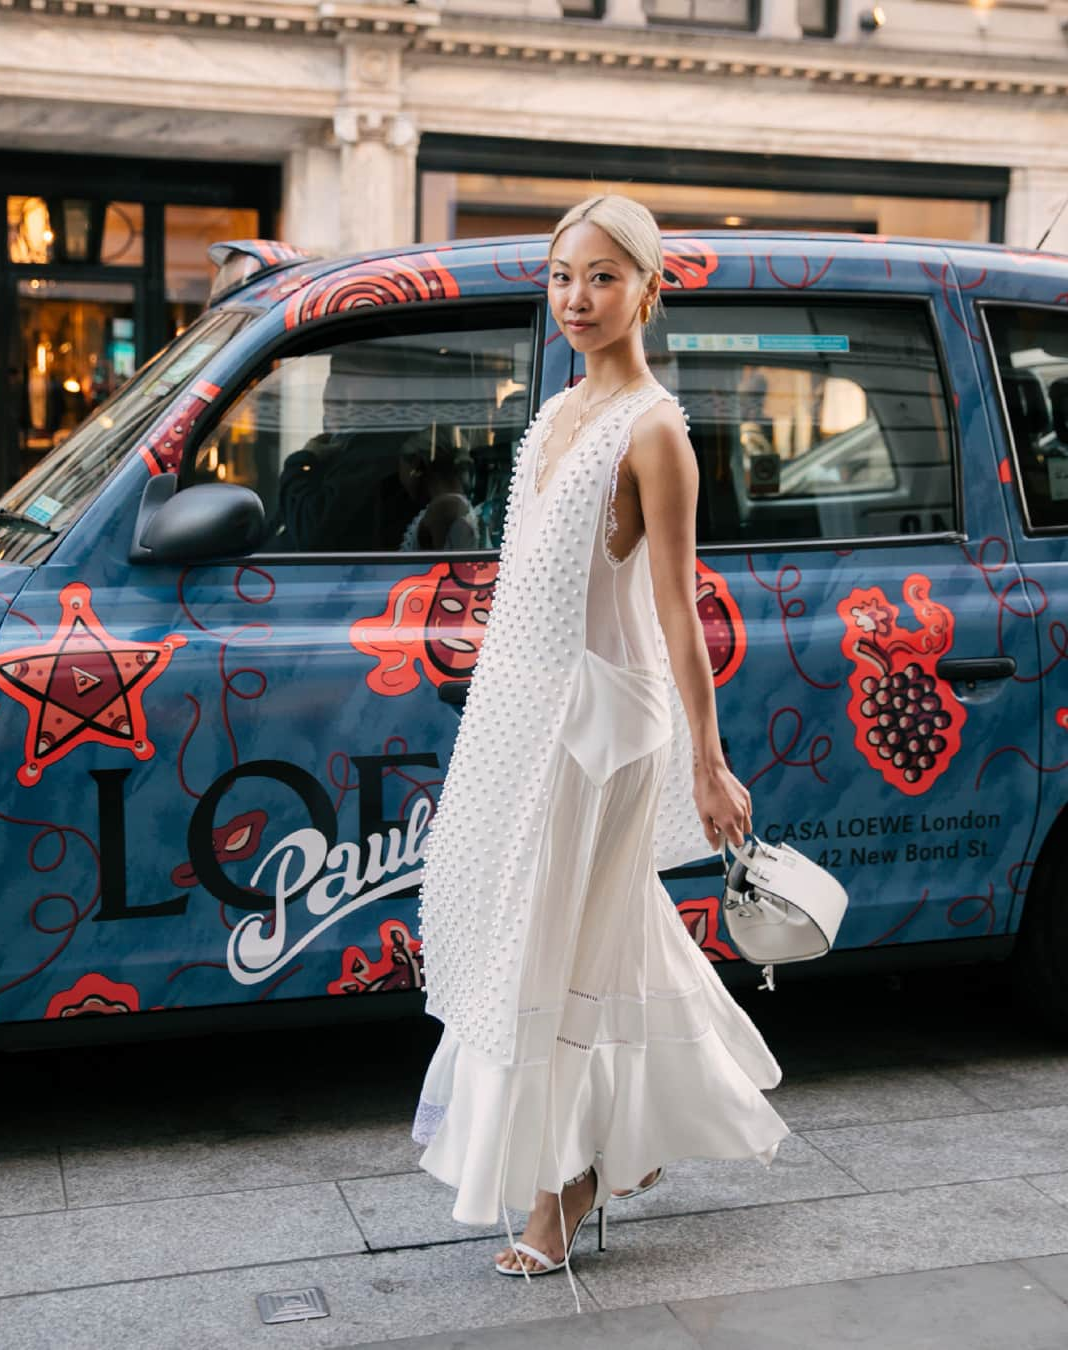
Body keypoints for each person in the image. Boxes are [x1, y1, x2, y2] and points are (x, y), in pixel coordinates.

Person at [413, 194, 788, 1306]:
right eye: (563, 274)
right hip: (521, 709)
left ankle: (561, 1191)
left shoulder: (654, 430)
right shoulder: (559, 408)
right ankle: (629, 1138)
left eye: (604, 277)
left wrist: (707, 763)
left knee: (554, 945)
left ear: (650, 290)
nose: (577, 297)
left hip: (602, 722)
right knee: (575, 933)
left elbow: (678, 611)